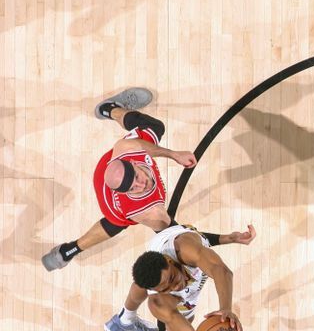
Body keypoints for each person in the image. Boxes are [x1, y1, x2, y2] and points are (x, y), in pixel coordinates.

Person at [41, 88, 198, 271]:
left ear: (132, 161)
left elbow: (145, 148)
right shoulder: (148, 211)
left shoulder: (125, 148)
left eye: (138, 176)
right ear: (126, 192)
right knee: (117, 221)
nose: (142, 184)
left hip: (106, 171)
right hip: (114, 205)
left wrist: (173, 155)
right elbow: (175, 238)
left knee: (155, 128)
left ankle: (109, 108)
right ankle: (70, 250)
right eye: (134, 188)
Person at [105, 223, 256, 331]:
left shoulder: (184, 249)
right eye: (165, 288)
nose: (176, 285)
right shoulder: (159, 301)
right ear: (156, 291)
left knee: (195, 249)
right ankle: (126, 320)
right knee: (179, 324)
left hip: (178, 234)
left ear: (169, 262)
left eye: (172, 278)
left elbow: (221, 270)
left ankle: (125, 320)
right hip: (169, 257)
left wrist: (226, 309)